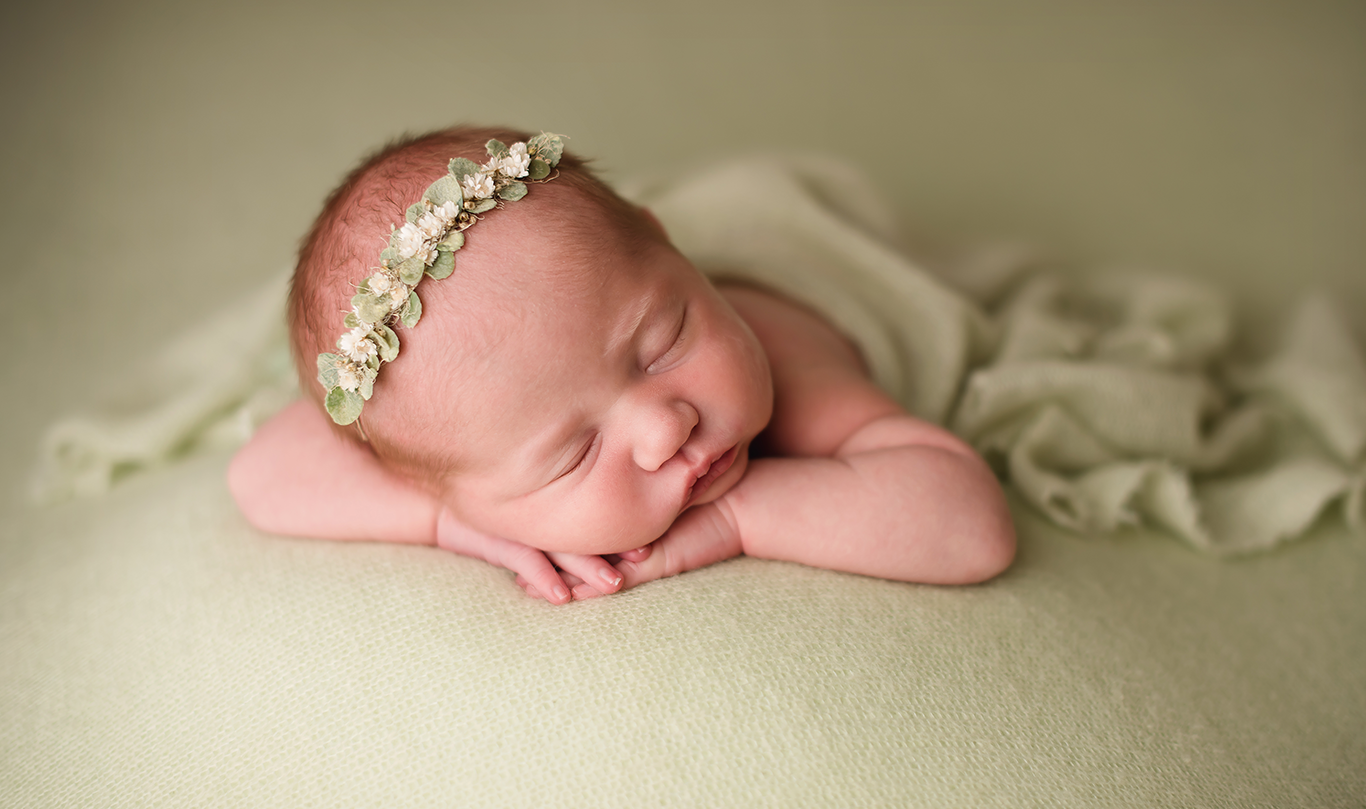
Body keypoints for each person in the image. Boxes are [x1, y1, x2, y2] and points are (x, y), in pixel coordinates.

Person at [227, 126, 1016, 605]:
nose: (666, 423)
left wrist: (739, 518)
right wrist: (458, 520)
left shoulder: (789, 362)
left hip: (816, 247)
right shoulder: (462, 445)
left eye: (665, 342)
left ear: (667, 243)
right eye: (574, 452)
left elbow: (971, 525)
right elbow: (259, 474)